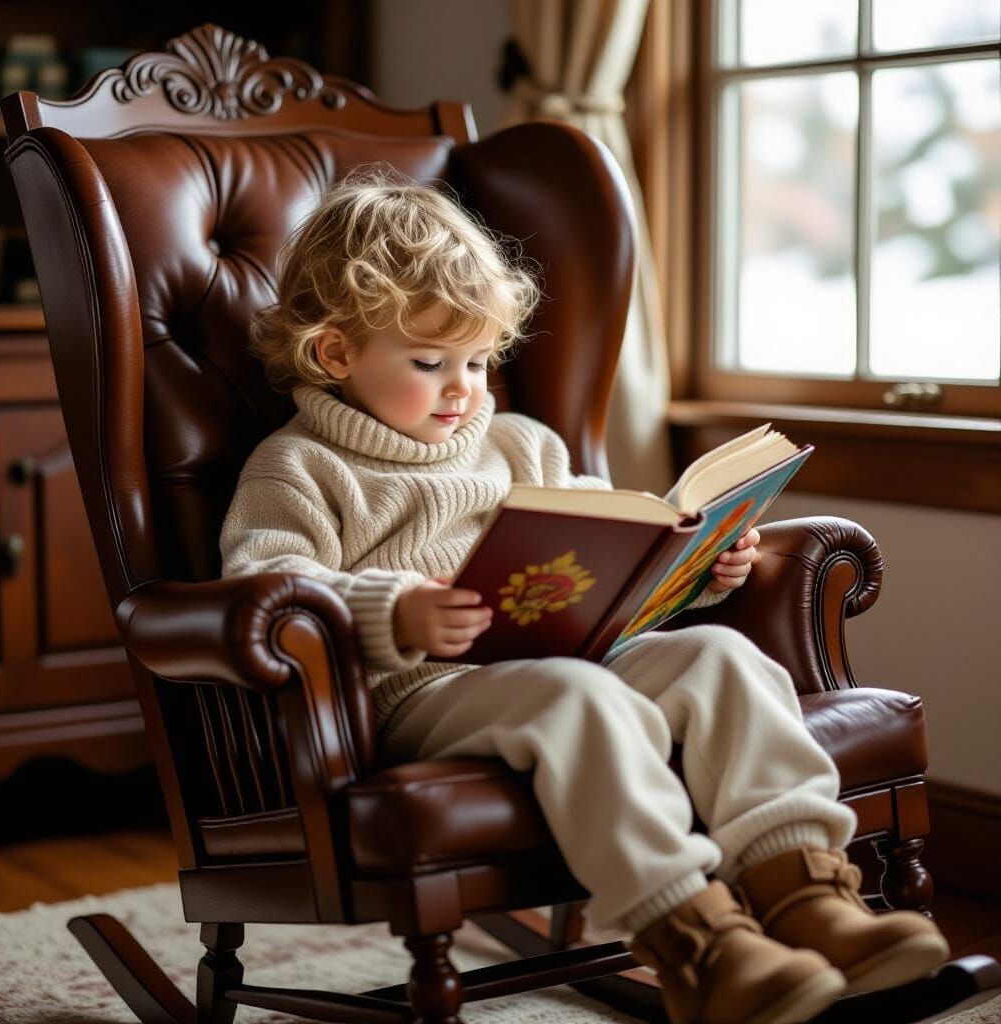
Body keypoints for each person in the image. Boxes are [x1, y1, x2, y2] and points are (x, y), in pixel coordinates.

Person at [220, 167, 949, 1024]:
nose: (465, 390)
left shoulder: (523, 446)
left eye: (480, 361)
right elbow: (264, 593)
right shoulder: (299, 466)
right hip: (423, 694)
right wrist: (398, 611)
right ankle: (698, 945)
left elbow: (603, 563)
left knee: (722, 658)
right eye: (430, 362)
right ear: (336, 352)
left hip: (576, 656)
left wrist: (697, 573)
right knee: (577, 695)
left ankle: (808, 898)